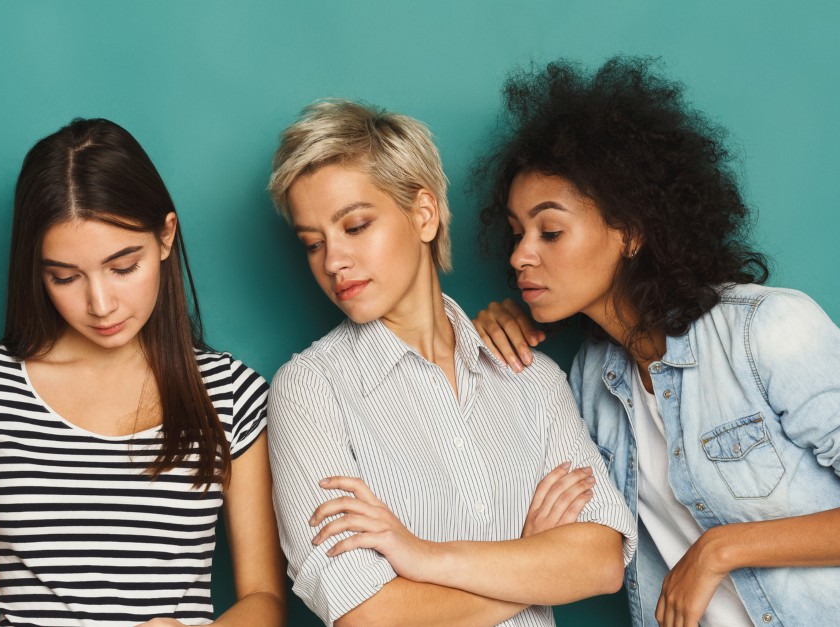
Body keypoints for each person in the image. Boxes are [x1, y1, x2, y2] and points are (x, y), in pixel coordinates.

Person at [472, 57, 840, 627]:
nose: (520, 256)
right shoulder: (591, 381)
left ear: (632, 231)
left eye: (551, 231)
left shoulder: (767, 330)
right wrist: (493, 328)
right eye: (517, 234)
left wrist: (723, 549)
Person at [264, 99, 637, 627]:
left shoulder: (532, 376)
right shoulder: (310, 390)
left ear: (423, 213)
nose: (333, 261)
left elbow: (599, 563)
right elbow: (368, 616)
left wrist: (423, 557)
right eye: (312, 243)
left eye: (356, 225)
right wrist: (529, 560)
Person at [0, 118, 286, 627]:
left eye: (123, 267)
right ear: (36, 268)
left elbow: (265, 597)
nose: (100, 304)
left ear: (166, 236)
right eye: (65, 277)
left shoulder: (231, 393)